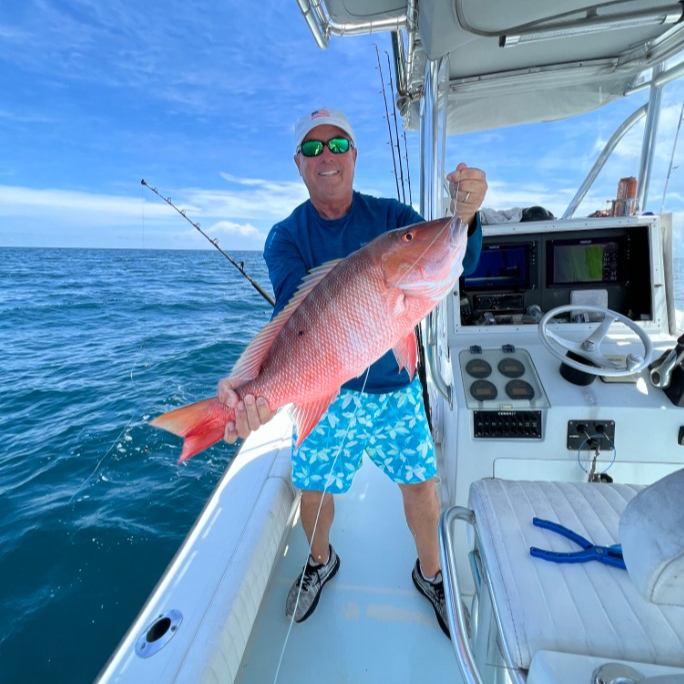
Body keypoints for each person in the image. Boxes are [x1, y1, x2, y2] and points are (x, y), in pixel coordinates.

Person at [218, 107, 487, 637]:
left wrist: (469, 216)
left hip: (395, 391)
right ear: (299, 164)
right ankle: (321, 562)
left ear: (355, 156)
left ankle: (431, 572)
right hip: (325, 389)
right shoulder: (284, 237)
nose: (326, 157)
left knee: (422, 486)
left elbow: (462, 258)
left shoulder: (392, 219)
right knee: (313, 487)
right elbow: (293, 319)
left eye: (337, 145)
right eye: (313, 149)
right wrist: (258, 391)